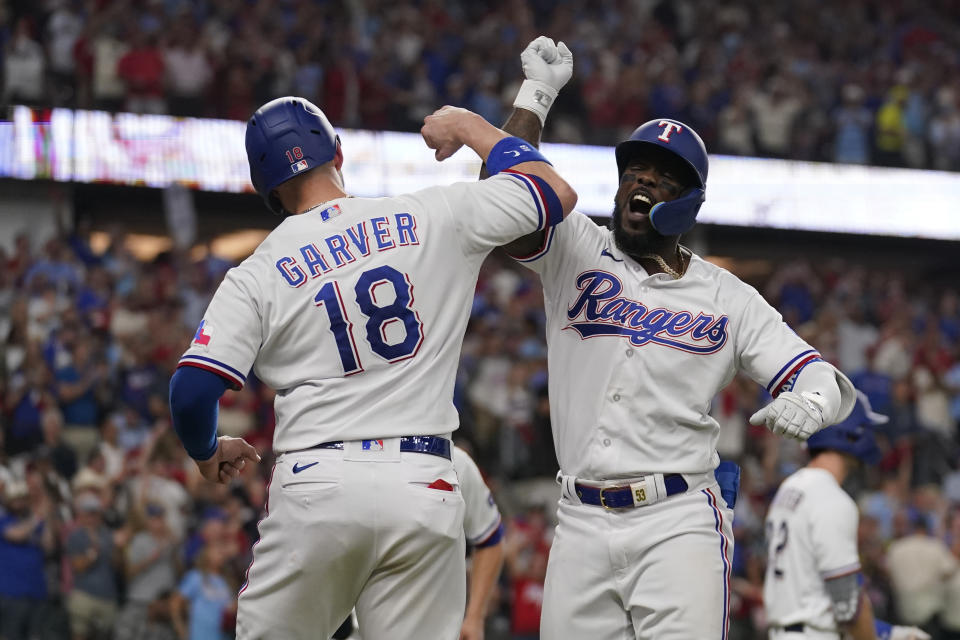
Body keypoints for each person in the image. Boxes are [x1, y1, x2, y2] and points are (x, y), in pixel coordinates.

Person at [486, 37, 858, 639]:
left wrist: (811, 400)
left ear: (689, 202)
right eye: (635, 168)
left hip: (677, 518)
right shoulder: (575, 249)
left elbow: (815, 373)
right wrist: (536, 96)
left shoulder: (726, 295)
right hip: (579, 520)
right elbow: (502, 200)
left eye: (663, 176)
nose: (643, 180)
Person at [168, 95, 576, 640]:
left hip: (319, 484)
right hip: (424, 482)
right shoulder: (429, 213)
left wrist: (207, 451)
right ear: (337, 150)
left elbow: (191, 391)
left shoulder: (258, 271)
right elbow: (554, 192)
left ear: (263, 186)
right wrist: (473, 125)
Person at [764, 393, 930, 640]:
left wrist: (889, 633)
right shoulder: (831, 498)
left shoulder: (790, 487)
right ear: (851, 433)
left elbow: (818, 596)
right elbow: (848, 606)